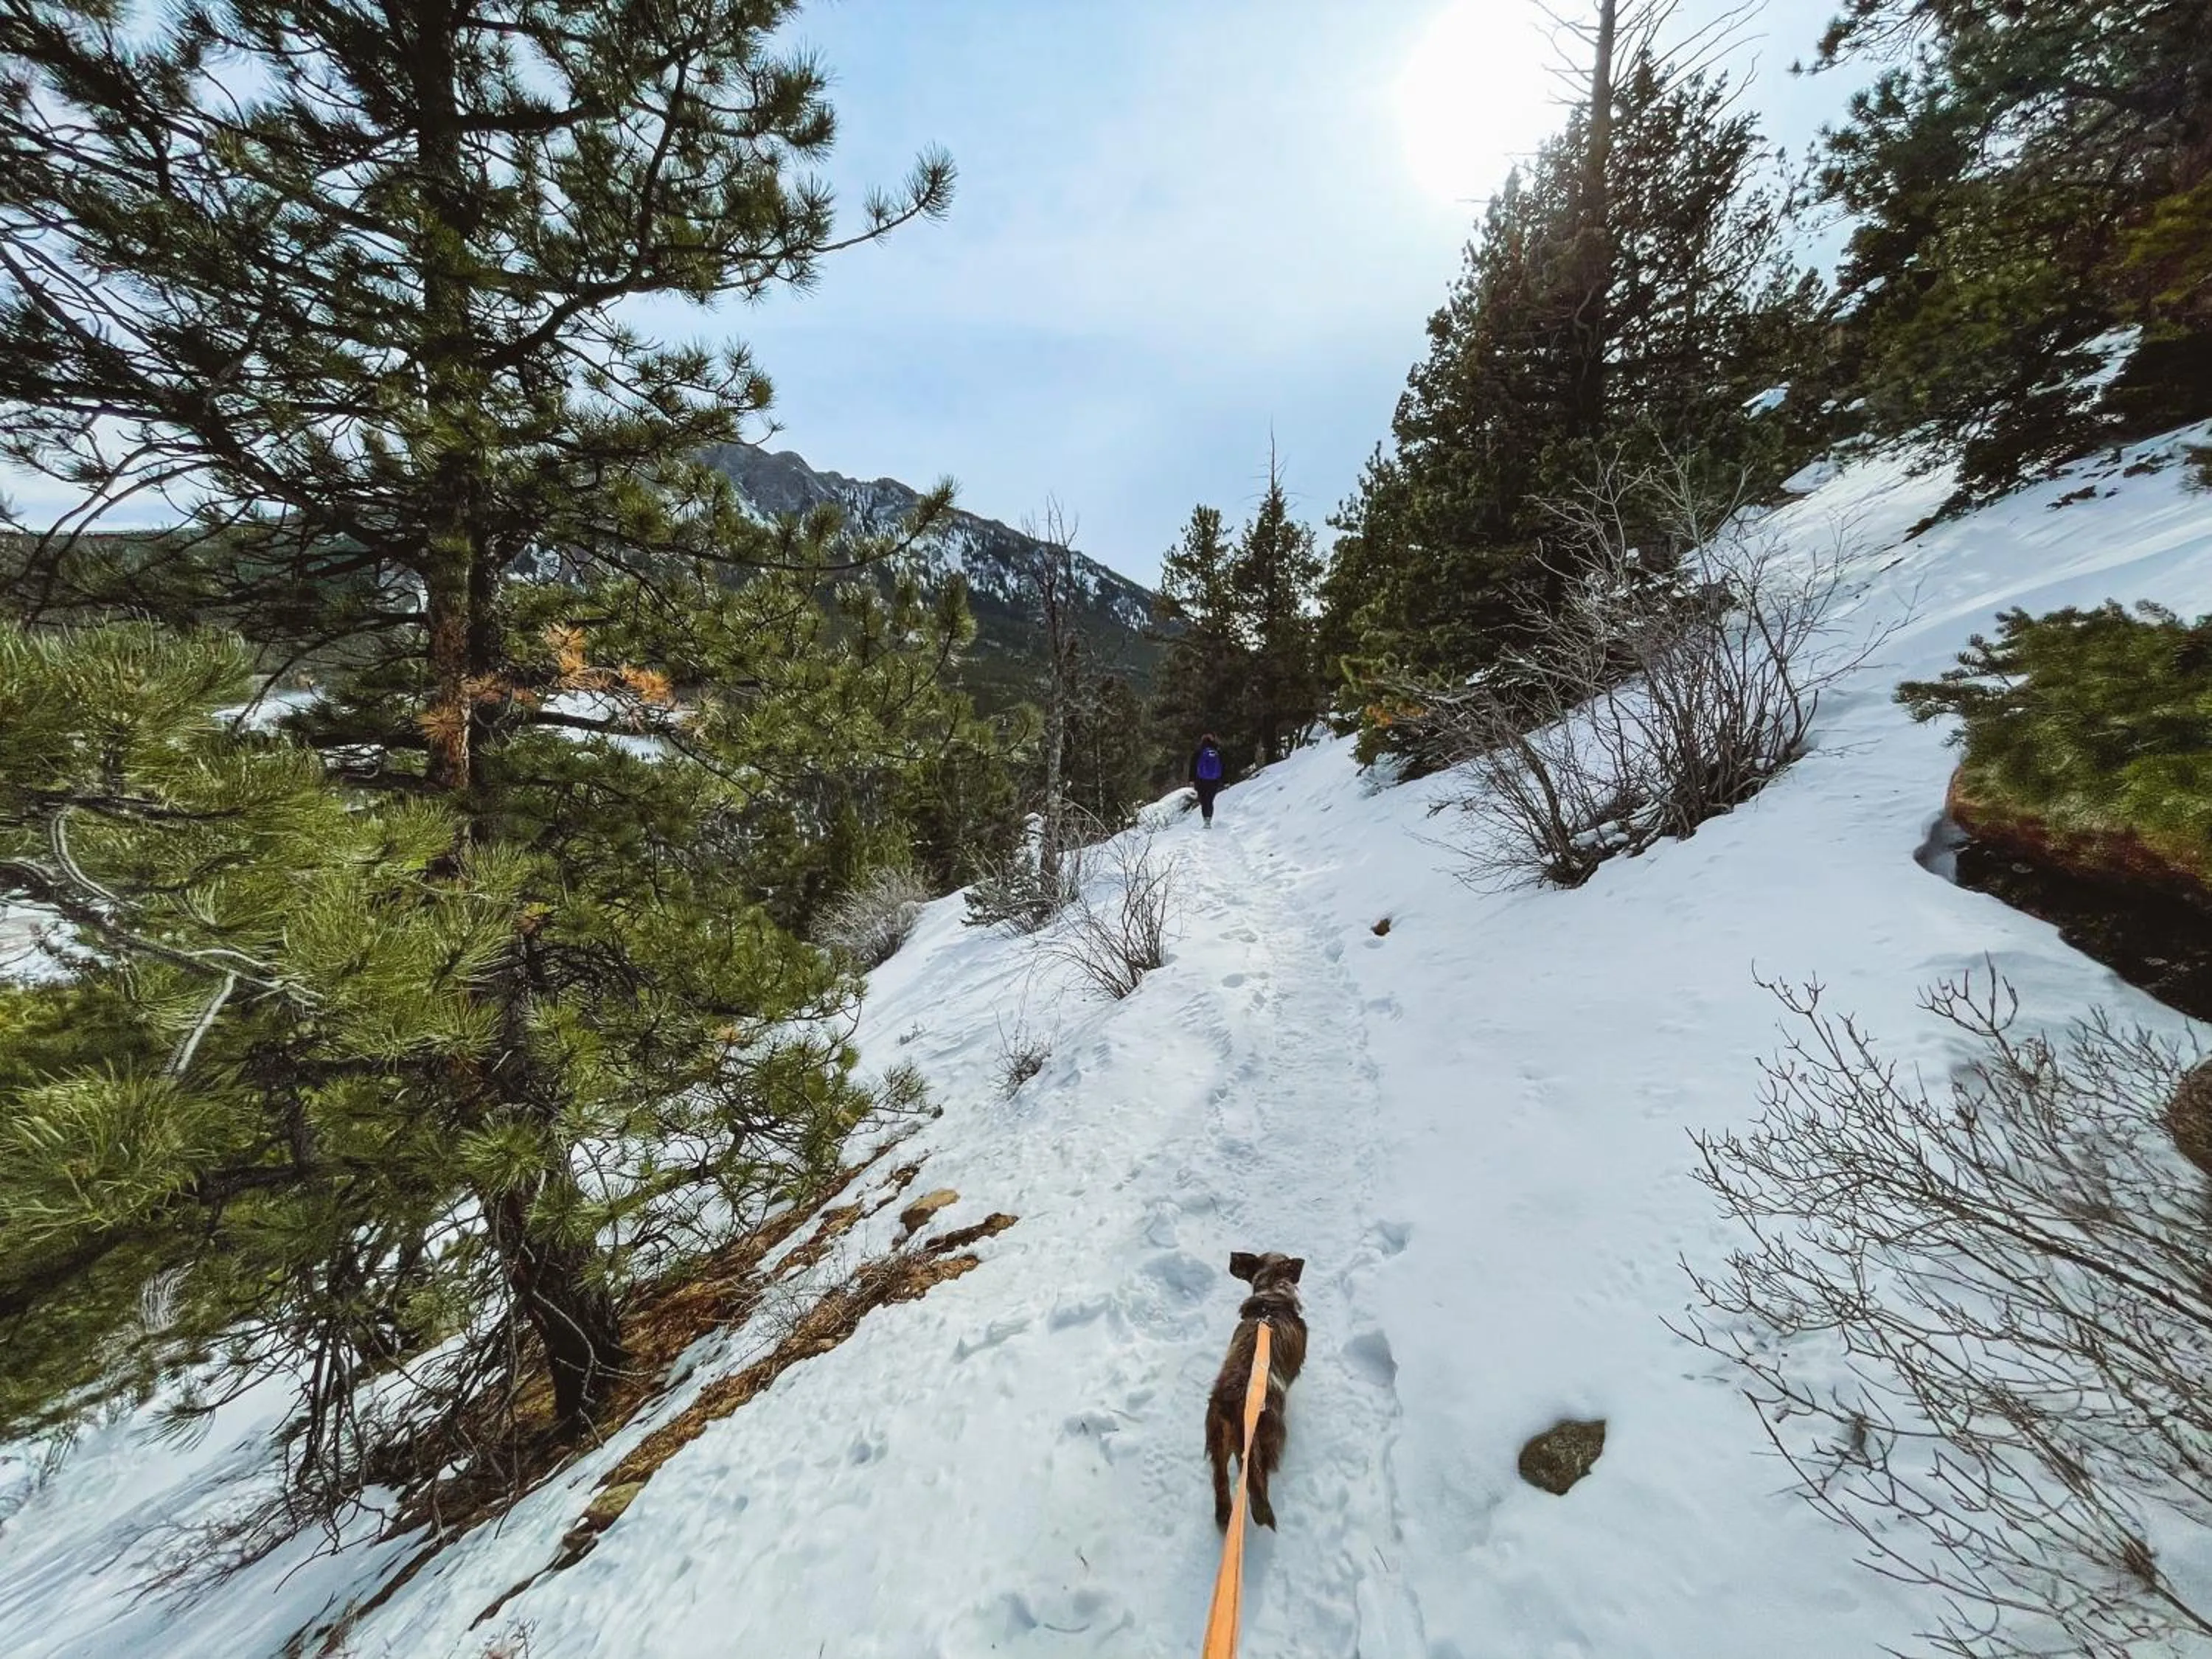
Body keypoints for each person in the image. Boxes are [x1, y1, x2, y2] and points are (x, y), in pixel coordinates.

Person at [1189, 733, 1225, 827]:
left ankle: (1206, 820)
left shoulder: (1198, 752)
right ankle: (1209, 819)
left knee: (1203, 800)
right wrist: (1224, 780)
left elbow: (1193, 766)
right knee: (1210, 800)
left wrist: (1191, 780)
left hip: (1200, 779)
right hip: (1215, 779)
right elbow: (1224, 766)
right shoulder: (1218, 751)